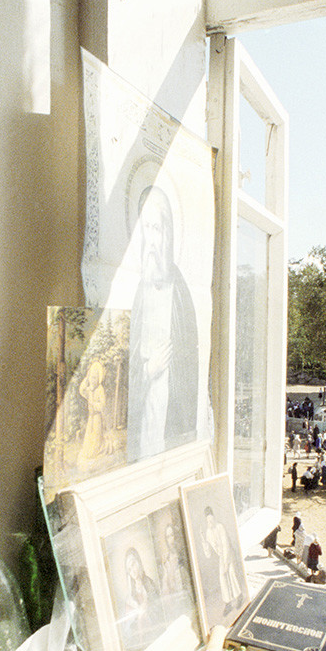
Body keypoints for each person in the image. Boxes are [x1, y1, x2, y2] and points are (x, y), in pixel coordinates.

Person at [127, 184, 199, 462]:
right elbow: (127, 364)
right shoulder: (138, 293)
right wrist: (148, 369)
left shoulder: (181, 295)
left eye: (157, 229)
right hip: (143, 417)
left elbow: (189, 370)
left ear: (168, 235)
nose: (152, 240)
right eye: (146, 228)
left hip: (170, 417)